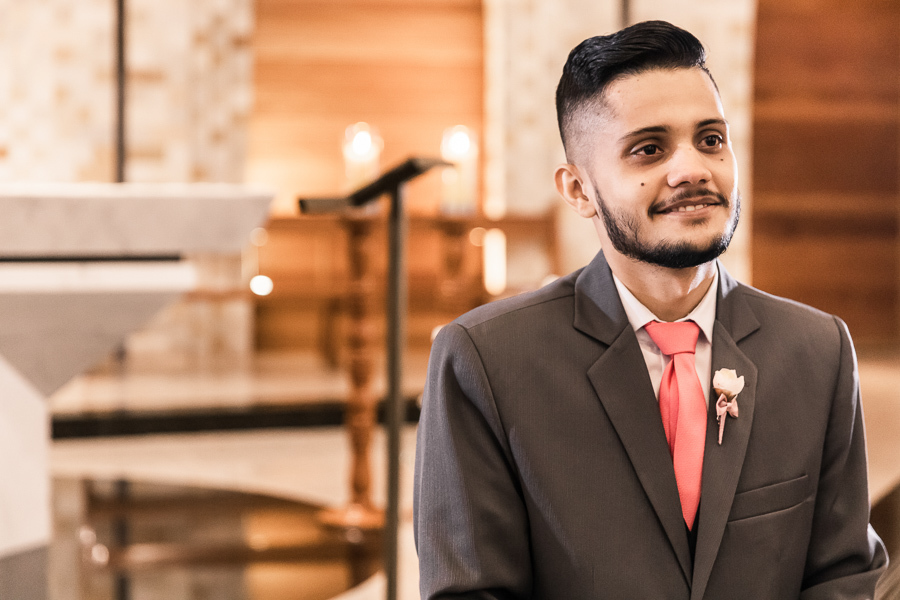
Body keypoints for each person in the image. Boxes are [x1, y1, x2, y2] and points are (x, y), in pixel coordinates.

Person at [413, 19, 888, 599]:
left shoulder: (819, 349)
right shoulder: (485, 360)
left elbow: (843, 576)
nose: (692, 169)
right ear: (578, 190)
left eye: (711, 139)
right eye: (649, 149)